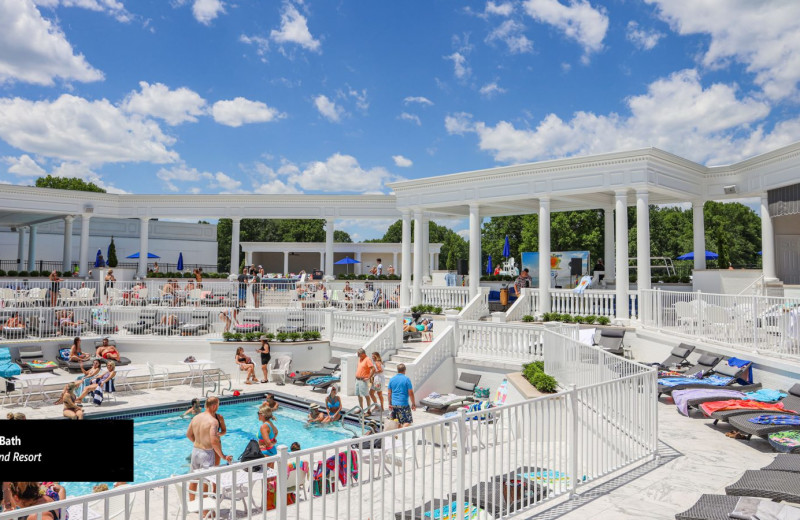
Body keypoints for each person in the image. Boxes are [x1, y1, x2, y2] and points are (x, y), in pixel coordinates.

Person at [186, 396, 233, 473]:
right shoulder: (213, 421)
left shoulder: (218, 417)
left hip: (200, 449)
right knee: (209, 476)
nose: (218, 407)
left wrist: (219, 434)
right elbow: (214, 442)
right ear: (214, 406)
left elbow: (224, 431)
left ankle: (215, 485)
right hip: (209, 449)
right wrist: (224, 456)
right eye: (218, 405)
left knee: (213, 471)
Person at [387, 363, 416, 428]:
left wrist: (389, 404)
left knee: (398, 422)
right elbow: (410, 393)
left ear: (397, 370)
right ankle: (400, 431)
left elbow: (389, 393)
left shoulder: (392, 379)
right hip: (403, 404)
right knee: (408, 421)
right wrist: (413, 404)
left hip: (394, 404)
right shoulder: (406, 379)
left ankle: (398, 435)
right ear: (405, 370)